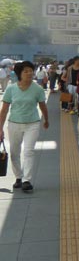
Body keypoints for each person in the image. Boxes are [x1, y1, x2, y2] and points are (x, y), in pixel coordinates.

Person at [0, 62, 49, 193]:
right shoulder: (11, 89)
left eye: (31, 71)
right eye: (26, 71)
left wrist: (46, 119)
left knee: (28, 151)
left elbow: (43, 106)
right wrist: (0, 128)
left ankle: (27, 180)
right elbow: (4, 110)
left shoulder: (38, 89)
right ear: (19, 74)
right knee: (14, 153)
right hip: (14, 124)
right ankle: (18, 177)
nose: (29, 73)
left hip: (32, 124)